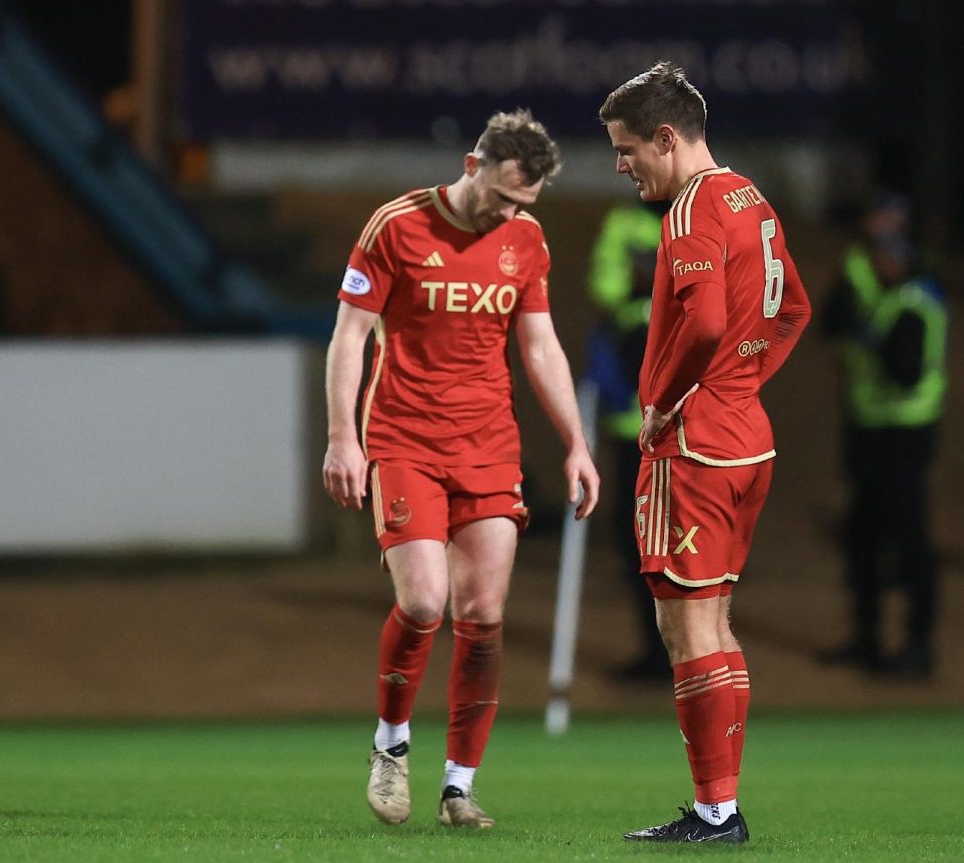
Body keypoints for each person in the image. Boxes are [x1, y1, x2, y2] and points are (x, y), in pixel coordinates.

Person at [322, 109, 600, 830]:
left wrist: (573, 442)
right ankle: (390, 746)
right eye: (504, 196)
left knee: (483, 615)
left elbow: (539, 347)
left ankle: (458, 787)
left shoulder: (525, 240)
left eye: (523, 203)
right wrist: (342, 438)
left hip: (487, 448)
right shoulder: (396, 225)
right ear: (474, 165)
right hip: (405, 440)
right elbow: (349, 336)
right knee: (423, 602)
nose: (509, 213)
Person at [598, 61, 811, 843]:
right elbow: (793, 306)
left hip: (694, 443)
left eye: (627, 150)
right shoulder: (749, 196)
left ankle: (716, 811)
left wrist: (666, 397)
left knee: (684, 629)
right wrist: (741, 382)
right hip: (747, 434)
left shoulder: (689, 209)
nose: (621, 167)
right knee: (713, 623)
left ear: (665, 137)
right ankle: (719, 806)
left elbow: (710, 322)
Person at [817, 232, 947, 677]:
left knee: (911, 544)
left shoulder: (916, 304)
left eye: (892, 256)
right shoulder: (880, 297)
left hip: (906, 438)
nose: (883, 264)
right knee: (862, 539)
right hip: (868, 434)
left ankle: (918, 646)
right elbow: (827, 325)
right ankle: (866, 637)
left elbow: (905, 372)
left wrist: (869, 335)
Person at [584, 200, 673, 681]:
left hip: (661, 445)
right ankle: (661, 653)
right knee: (644, 546)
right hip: (637, 440)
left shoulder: (648, 319)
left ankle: (672, 657)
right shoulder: (636, 316)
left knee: (657, 548)